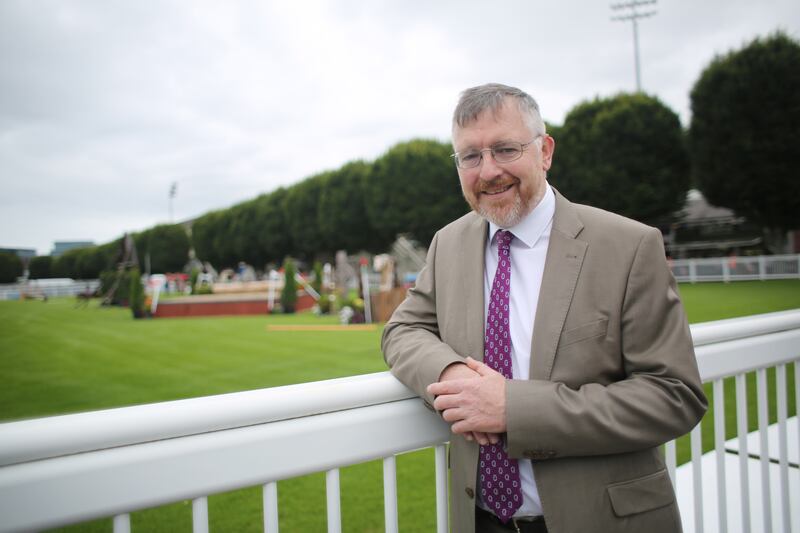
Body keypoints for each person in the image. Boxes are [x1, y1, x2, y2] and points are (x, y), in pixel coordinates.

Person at [382, 83, 707, 533]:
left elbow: (674, 396)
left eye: (505, 149)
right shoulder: (448, 243)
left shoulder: (628, 245)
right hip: (480, 521)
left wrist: (513, 408)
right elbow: (402, 331)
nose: (488, 170)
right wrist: (450, 373)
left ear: (545, 151)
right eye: (470, 157)